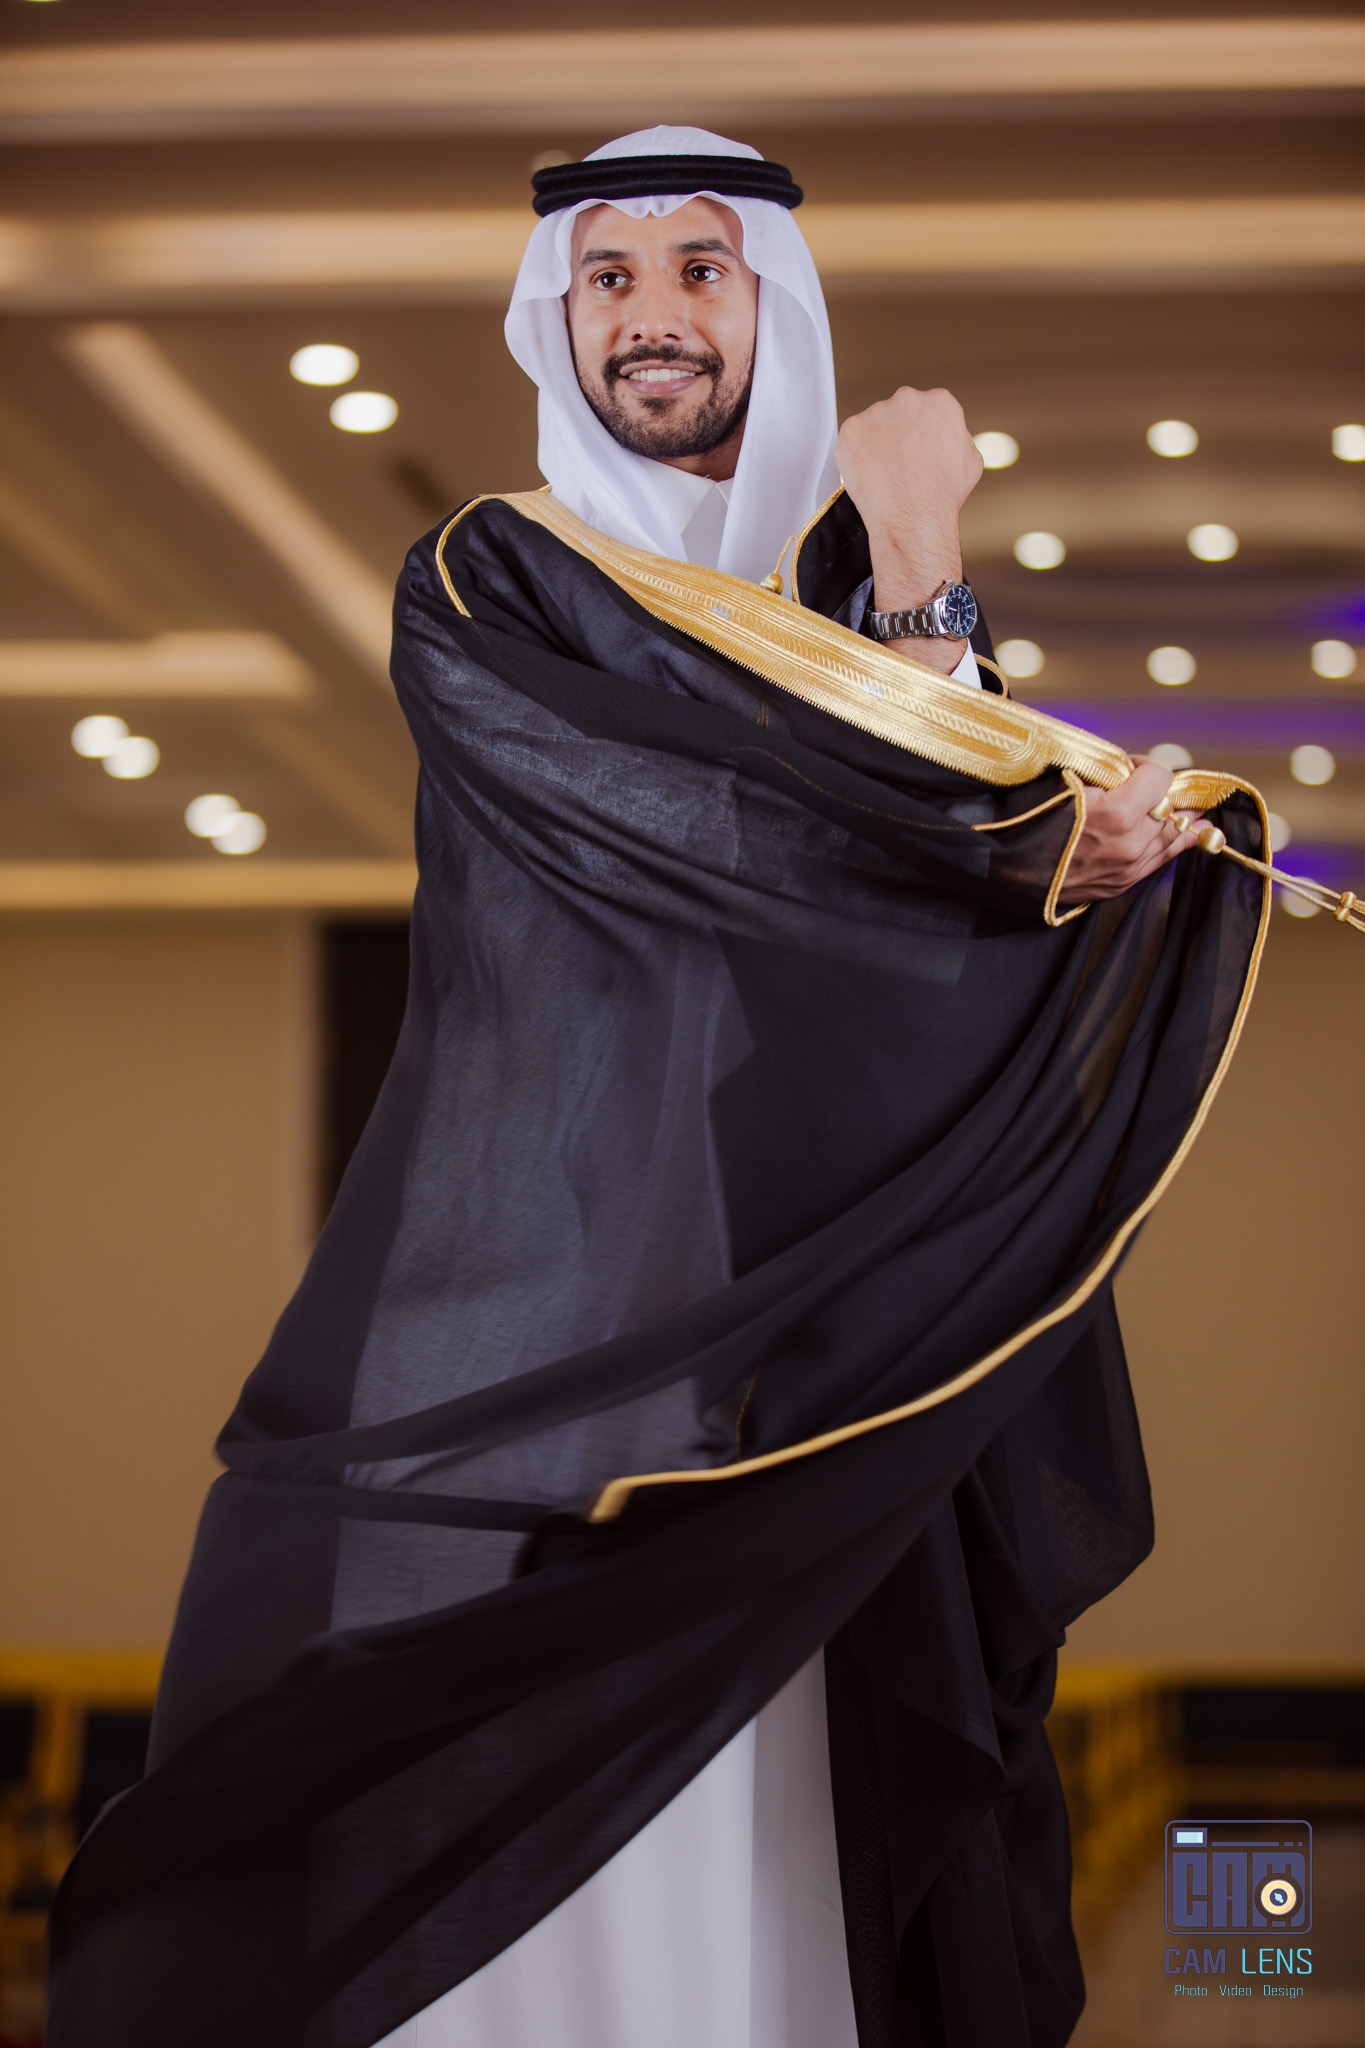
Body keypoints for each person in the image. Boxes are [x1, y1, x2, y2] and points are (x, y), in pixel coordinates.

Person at [49, 129, 1268, 2048]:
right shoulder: (494, 582)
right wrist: (990, 789)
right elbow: (753, 837)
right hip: (557, 1323)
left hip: (829, 1322)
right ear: (554, 316)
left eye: (700, 269)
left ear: (774, 303)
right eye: (607, 278)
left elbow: (946, 897)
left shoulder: (859, 584)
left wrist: (974, 663)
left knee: (804, 1827)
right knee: (514, 1831)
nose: (650, 317)